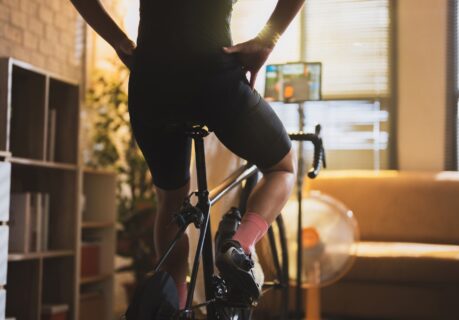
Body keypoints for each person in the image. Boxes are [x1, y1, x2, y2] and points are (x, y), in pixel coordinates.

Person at [71, 0, 304, 309]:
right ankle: (240, 246)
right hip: (215, 76)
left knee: (171, 203)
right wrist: (267, 39)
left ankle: (175, 307)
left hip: (152, 83)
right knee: (282, 168)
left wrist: (120, 42)